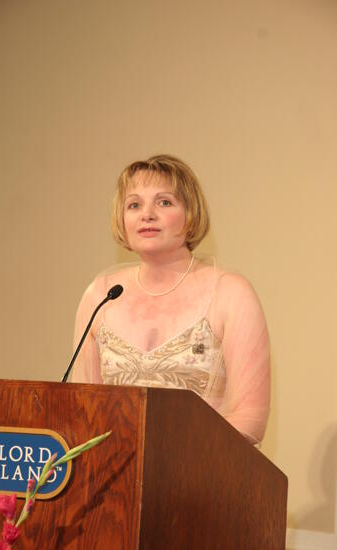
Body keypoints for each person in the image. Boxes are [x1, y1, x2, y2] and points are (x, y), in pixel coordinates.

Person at [72, 154, 270, 445]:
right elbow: (81, 411)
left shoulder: (230, 293)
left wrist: (172, 459)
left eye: (164, 202)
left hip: (199, 478)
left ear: (190, 215)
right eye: (134, 204)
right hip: (113, 478)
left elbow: (250, 420)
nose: (147, 214)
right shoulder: (100, 295)